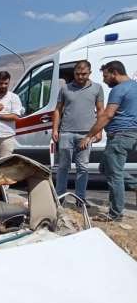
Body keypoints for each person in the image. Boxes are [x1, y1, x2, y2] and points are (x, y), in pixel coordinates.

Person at [81, 60, 137, 221]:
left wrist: (89, 135)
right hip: (131, 135)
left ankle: (115, 215)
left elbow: (107, 115)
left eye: (106, 76)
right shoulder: (134, 86)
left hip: (120, 136)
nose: (104, 80)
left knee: (114, 176)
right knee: (105, 168)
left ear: (114, 73)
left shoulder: (119, 89)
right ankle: (134, 185)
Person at [52, 60, 104, 205]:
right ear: (74, 73)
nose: (80, 77)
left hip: (86, 135)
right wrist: (55, 129)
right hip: (66, 133)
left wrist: (99, 131)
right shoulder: (65, 89)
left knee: (82, 167)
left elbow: (101, 111)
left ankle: (80, 199)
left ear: (90, 73)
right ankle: (60, 197)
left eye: (84, 74)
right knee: (63, 167)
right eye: (77, 74)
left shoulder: (97, 88)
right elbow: (58, 110)